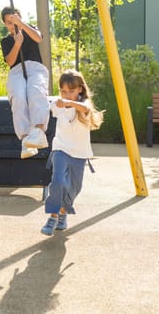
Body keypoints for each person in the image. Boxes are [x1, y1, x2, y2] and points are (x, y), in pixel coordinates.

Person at [41, 69, 104, 236]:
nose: (66, 95)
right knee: (58, 182)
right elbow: (52, 107)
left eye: (71, 91)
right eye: (63, 91)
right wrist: (61, 102)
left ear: (80, 90)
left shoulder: (84, 105)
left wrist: (70, 103)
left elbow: (84, 108)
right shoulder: (57, 104)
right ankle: (52, 217)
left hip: (80, 154)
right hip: (60, 149)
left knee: (75, 187)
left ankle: (63, 212)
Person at [0, 6, 50, 159]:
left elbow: (39, 38)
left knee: (36, 91)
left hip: (35, 68)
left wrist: (21, 25)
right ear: (4, 24)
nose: (12, 24)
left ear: (20, 18)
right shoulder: (6, 41)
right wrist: (17, 43)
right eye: (9, 22)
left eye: (14, 20)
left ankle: (39, 131)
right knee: (19, 97)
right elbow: (10, 61)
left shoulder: (30, 30)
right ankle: (25, 139)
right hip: (17, 71)